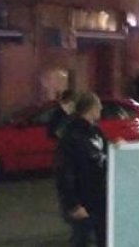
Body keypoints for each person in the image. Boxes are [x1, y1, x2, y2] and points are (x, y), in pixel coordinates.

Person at [55, 93, 108, 247]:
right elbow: (64, 172)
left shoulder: (96, 131)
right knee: (82, 239)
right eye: (99, 106)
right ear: (90, 109)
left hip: (99, 198)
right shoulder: (71, 136)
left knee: (102, 238)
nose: (101, 109)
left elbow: (104, 154)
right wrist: (73, 204)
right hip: (83, 200)